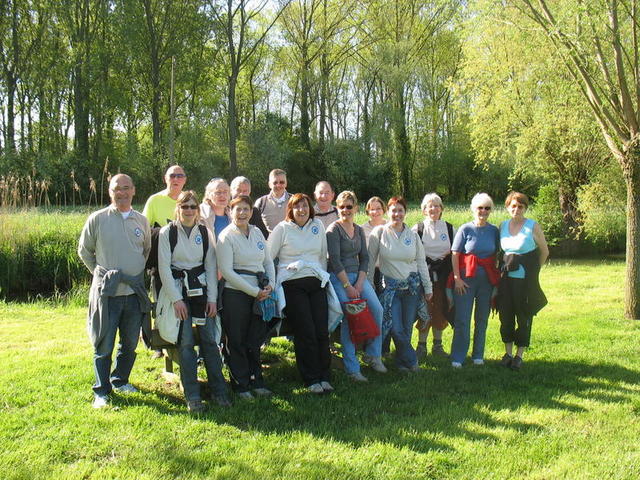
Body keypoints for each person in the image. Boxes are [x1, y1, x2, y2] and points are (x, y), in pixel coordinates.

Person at [78, 174, 152, 409]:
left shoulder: (141, 221)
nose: (121, 192)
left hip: (133, 295)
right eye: (116, 189)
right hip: (107, 295)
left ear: (133, 191)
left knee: (130, 343)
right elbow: (84, 251)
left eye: (126, 188)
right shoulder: (97, 219)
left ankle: (120, 379)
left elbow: (146, 251)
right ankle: (101, 391)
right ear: (110, 192)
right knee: (104, 344)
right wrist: (102, 277)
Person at [156, 191, 230, 413]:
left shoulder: (205, 232)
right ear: (177, 208)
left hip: (202, 290)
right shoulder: (167, 233)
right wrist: (176, 300)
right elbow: (164, 269)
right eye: (184, 206)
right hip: (177, 291)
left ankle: (219, 391)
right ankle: (193, 394)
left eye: (192, 207)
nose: (188, 210)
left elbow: (210, 267)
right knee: (186, 343)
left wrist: (212, 300)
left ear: (198, 209)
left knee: (209, 341)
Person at [268, 193, 333, 393]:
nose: (302, 210)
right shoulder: (282, 229)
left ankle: (325, 376)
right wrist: (271, 283)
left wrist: (322, 279)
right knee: (306, 331)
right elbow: (268, 257)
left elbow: (322, 255)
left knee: (322, 330)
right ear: (291, 210)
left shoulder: (317, 226)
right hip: (292, 283)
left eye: (305, 206)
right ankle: (311, 378)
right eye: (297, 207)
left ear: (310, 208)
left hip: (316, 281)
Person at [217, 195, 276, 400]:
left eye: (246, 209)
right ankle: (240, 384)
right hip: (236, 294)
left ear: (252, 212)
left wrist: (271, 284)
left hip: (260, 292)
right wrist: (253, 292)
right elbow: (226, 271)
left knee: (254, 339)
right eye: (237, 209)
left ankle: (257, 380)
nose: (242, 213)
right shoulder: (226, 236)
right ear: (230, 211)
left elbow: (268, 261)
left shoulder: (258, 232)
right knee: (237, 340)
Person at [368, 197, 432, 372]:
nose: (397, 214)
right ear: (388, 212)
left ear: (405, 212)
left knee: (406, 328)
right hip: (390, 289)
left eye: (400, 210)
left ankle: (401, 363)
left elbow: (421, 262)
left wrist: (428, 288)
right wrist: (368, 285)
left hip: (412, 288)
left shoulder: (412, 235)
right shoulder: (379, 233)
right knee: (395, 328)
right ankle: (412, 361)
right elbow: (370, 261)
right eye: (393, 210)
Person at [327, 191, 386, 382]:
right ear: (337, 208)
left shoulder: (359, 230)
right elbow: (335, 261)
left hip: (359, 278)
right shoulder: (333, 230)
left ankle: (373, 354)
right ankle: (352, 367)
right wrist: (348, 286)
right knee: (349, 315)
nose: (345, 210)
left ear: (356, 208)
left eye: (349, 206)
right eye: (342, 207)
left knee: (377, 309)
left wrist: (360, 283)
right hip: (339, 278)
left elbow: (365, 258)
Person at [498, 192, 549, 370]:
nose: (516, 209)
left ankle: (519, 355)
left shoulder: (532, 226)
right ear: (507, 207)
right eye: (513, 206)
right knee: (506, 316)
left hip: (525, 282)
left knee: (523, 315)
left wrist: (534, 270)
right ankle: (508, 353)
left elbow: (544, 251)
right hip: (505, 281)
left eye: (520, 206)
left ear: (525, 208)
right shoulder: (502, 226)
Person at [450, 193, 500, 368]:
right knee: (462, 319)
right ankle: (458, 356)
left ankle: (478, 355)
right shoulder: (465, 229)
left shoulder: (494, 231)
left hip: (486, 280)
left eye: (487, 208)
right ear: (474, 209)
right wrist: (457, 278)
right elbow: (455, 254)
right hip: (465, 280)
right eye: (480, 208)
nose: (483, 211)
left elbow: (498, 255)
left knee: (482, 319)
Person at [412, 193, 456, 359]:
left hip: (444, 275)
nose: (433, 208)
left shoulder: (450, 228)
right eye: (429, 206)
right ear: (424, 210)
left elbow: (457, 250)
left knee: (440, 308)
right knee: (424, 309)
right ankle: (421, 346)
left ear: (441, 209)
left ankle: (438, 345)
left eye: (436, 205)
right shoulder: (417, 229)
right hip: (424, 276)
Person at [254, 169, 291, 234]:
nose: (278, 185)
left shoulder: (294, 200)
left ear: (286, 183)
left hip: (291, 241)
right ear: (269, 184)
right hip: (268, 242)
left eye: (282, 182)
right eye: (275, 183)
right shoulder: (261, 202)